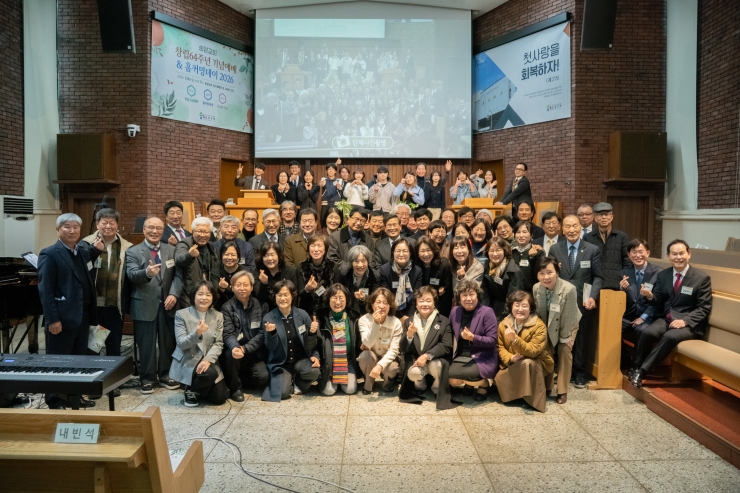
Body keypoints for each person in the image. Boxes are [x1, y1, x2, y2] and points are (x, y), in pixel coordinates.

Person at [38, 214, 104, 409]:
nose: (72, 230)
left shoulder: (81, 251)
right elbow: (45, 290)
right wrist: (52, 319)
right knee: (58, 360)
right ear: (58, 230)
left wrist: (96, 251)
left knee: (78, 359)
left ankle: (74, 396)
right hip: (62, 318)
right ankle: (54, 399)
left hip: (83, 315)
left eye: (76, 227)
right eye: (67, 227)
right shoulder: (50, 253)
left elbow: (83, 269)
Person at [630, 240, 712, 388]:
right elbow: (658, 299)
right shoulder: (664, 275)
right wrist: (650, 296)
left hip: (689, 324)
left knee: (669, 337)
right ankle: (636, 366)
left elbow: (704, 308)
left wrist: (684, 321)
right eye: (674, 254)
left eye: (681, 253)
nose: (678, 257)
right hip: (667, 319)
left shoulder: (701, 278)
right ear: (668, 256)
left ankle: (641, 372)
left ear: (689, 254)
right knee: (647, 333)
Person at [125, 217, 181, 394]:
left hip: (168, 304)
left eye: (158, 228)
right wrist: (147, 273)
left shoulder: (172, 250)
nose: (155, 231)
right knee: (146, 345)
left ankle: (166, 374)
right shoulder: (133, 251)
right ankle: (147, 378)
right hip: (144, 304)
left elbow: (179, 275)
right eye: (151, 228)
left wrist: (174, 294)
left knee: (167, 343)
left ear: (163, 231)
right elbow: (131, 274)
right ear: (144, 229)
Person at [549, 215, 604, 388]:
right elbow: (549, 273)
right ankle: (563, 371)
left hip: (583, 300)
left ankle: (579, 372)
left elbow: (598, 277)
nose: (571, 230)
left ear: (581, 227)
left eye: (574, 226)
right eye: (567, 226)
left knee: (580, 338)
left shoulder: (592, 250)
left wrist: (593, 296)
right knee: (560, 336)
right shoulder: (555, 249)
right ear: (562, 229)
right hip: (560, 300)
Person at [398, 286, 459, 409]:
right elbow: (403, 349)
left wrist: (427, 355)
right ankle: (421, 386)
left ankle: (436, 388)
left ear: (434, 303)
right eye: (421, 301)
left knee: (438, 366)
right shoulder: (409, 322)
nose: (425, 304)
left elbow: (446, 345)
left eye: (428, 300)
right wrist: (409, 335)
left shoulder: (444, 321)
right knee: (413, 372)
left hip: (435, 359)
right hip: (417, 360)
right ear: (416, 304)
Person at [83, 208, 133, 357]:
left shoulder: (126, 247)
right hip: (95, 306)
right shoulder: (86, 244)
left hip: (115, 305)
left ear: (117, 225)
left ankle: (114, 371)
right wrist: (93, 251)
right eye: (104, 223)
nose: (108, 226)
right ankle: (95, 370)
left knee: (114, 346)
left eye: (112, 223)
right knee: (94, 346)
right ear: (97, 224)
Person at [170, 281, 229, 407]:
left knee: (220, 397)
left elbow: (218, 343)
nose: (204, 298)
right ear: (193, 296)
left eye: (208, 295)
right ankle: (190, 389)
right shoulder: (181, 314)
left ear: (213, 298)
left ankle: (197, 387)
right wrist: (197, 333)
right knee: (211, 374)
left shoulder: (218, 316)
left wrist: (207, 360)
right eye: (200, 294)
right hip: (188, 360)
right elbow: (181, 344)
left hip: (207, 360)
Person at [495, 290, 553, 412]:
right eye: (517, 305)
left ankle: (530, 400)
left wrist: (515, 340)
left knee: (527, 364)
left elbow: (533, 351)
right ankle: (515, 396)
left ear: (530, 308)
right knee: (499, 377)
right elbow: (500, 347)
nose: (520, 309)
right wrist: (510, 358)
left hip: (537, 362)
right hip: (513, 362)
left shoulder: (539, 326)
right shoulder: (503, 324)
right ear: (511, 307)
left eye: (524, 306)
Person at [262, 280, 321, 401]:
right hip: (281, 363)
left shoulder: (302, 314)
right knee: (282, 393)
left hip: (301, 359)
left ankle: (297, 381)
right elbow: (271, 347)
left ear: (292, 296)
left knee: (314, 372)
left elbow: (311, 344)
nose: (282, 298)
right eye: (279, 295)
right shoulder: (269, 317)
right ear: (275, 297)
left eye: (286, 295)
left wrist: (312, 334)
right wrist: (272, 333)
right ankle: (288, 380)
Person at [533, 257, 580, 404]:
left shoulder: (569, 289)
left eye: (549, 272)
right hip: (546, 323)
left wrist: (566, 338)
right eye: (541, 273)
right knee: (546, 350)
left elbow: (569, 317)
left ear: (557, 272)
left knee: (564, 350)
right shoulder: (536, 288)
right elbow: (538, 314)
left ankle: (562, 390)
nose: (546, 277)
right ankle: (547, 386)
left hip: (568, 324)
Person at [220, 271, 269, 402]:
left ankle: (243, 378)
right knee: (231, 354)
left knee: (263, 377)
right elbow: (228, 333)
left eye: (245, 285)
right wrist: (236, 347)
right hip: (236, 351)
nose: (242, 288)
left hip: (254, 352)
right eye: (238, 285)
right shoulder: (226, 308)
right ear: (232, 287)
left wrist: (245, 348)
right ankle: (235, 388)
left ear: (252, 287)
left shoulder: (262, 306)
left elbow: (262, 333)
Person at [448, 279, 498, 401]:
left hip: (482, 357)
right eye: (464, 295)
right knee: (451, 379)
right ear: (459, 297)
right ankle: (470, 383)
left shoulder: (487, 312)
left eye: (471, 294)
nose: (468, 298)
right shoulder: (455, 311)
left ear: (478, 295)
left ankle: (484, 384)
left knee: (468, 374)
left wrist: (473, 338)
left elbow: (492, 340)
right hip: (461, 356)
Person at [619, 238, 661, 365]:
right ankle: (625, 359)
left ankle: (637, 365)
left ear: (647, 253)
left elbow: (660, 300)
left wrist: (643, 317)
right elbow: (620, 298)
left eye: (641, 251)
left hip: (649, 316)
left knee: (640, 330)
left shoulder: (658, 273)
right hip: (629, 316)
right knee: (611, 326)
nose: (638, 255)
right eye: (634, 252)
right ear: (629, 255)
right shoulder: (624, 273)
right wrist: (622, 289)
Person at [318, 284, 362, 395]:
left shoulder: (353, 317)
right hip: (329, 363)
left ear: (347, 300)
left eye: (341, 298)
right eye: (334, 298)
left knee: (350, 389)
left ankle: (342, 379)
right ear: (328, 299)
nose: (338, 302)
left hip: (348, 362)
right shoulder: (321, 318)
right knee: (328, 391)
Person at [357, 287, 403, 394]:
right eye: (378, 302)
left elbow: (394, 350)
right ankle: (368, 384)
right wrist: (376, 324)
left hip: (388, 358)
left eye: (386, 303)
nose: (382, 306)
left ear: (390, 305)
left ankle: (388, 384)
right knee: (365, 356)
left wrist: (380, 365)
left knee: (393, 368)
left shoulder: (396, 322)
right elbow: (367, 343)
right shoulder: (364, 320)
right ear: (372, 304)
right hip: (371, 356)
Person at [175, 217, 222, 308]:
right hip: (189, 295)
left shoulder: (211, 246)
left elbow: (215, 270)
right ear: (193, 231)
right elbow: (178, 259)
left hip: (208, 294)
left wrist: (215, 293)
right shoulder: (184, 243)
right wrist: (189, 255)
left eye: (206, 232)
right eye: (199, 231)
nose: (202, 235)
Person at [583, 202, 630, 290]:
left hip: (616, 284)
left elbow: (627, 261)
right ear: (595, 218)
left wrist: (624, 279)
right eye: (600, 215)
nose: (604, 217)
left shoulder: (621, 237)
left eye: (607, 214)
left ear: (612, 217)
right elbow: (584, 261)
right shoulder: (587, 237)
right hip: (594, 286)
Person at [378, 238, 423, 319]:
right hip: (390, 312)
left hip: (411, 313)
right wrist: (400, 317)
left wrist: (408, 317)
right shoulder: (384, 270)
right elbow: (386, 297)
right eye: (398, 251)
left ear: (410, 253)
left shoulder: (417, 271)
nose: (401, 254)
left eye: (405, 251)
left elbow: (416, 297)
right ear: (393, 252)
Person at [481, 237, 524, 321]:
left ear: (505, 251)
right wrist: (486, 312)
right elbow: (484, 292)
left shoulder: (514, 271)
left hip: (508, 310)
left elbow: (513, 298)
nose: (495, 254)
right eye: (491, 251)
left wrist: (501, 319)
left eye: (498, 250)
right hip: (492, 306)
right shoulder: (487, 265)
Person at [253, 241, 303, 312]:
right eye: (266, 255)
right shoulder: (257, 272)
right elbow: (260, 299)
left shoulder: (291, 271)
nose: (270, 258)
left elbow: (294, 296)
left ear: (279, 255)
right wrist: (264, 284)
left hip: (289, 311)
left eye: (272, 254)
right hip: (267, 312)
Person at [335, 245, 379, 322]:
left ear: (368, 262)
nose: (360, 265)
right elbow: (337, 292)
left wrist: (364, 298)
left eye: (363, 261)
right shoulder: (343, 273)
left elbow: (376, 298)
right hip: (347, 311)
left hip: (367, 312)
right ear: (351, 263)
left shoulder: (375, 276)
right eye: (356, 261)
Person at [415, 236, 453, 316]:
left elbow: (447, 289)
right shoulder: (416, 267)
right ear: (417, 253)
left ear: (434, 250)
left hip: (441, 307)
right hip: (421, 306)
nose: (426, 254)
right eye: (422, 251)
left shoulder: (444, 264)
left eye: (429, 250)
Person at [299, 235, 335, 319]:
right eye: (313, 246)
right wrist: (307, 289)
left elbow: (335, 293)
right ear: (308, 249)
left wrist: (317, 288)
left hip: (328, 312)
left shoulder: (333, 267)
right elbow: (299, 294)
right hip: (307, 312)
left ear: (325, 249)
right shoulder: (301, 267)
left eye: (319, 246)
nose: (316, 249)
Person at [511, 221, 545, 292]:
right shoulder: (511, 252)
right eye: (518, 232)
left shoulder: (539, 252)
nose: (521, 235)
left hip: (532, 292)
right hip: (514, 292)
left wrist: (532, 258)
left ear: (531, 235)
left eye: (524, 232)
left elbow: (540, 274)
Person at [215, 241, 248, 309]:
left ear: (238, 257)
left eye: (233, 255)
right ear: (221, 256)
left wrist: (226, 289)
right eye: (226, 254)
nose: (229, 258)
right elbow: (215, 295)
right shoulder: (215, 272)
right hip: (220, 308)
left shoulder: (245, 272)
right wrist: (221, 289)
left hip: (242, 308)